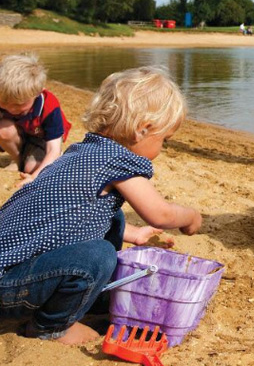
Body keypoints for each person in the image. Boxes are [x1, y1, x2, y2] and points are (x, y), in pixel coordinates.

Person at [0, 67, 202, 345]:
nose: (161, 148)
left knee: (111, 212)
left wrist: (133, 233)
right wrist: (191, 217)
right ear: (142, 129)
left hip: (14, 272)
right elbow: (161, 214)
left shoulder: (81, 152)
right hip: (9, 287)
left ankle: (87, 295)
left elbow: (75, 214)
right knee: (99, 255)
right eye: (163, 140)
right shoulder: (118, 162)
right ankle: (51, 326)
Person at [0, 54, 71, 183]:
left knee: (32, 168)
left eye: (19, 104)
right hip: (21, 131)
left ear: (38, 93)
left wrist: (34, 177)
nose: (11, 109)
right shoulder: (4, 94)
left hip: (42, 138)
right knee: (3, 130)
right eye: (4, 102)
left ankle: (42, 160)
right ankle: (18, 161)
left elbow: (53, 148)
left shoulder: (49, 107)